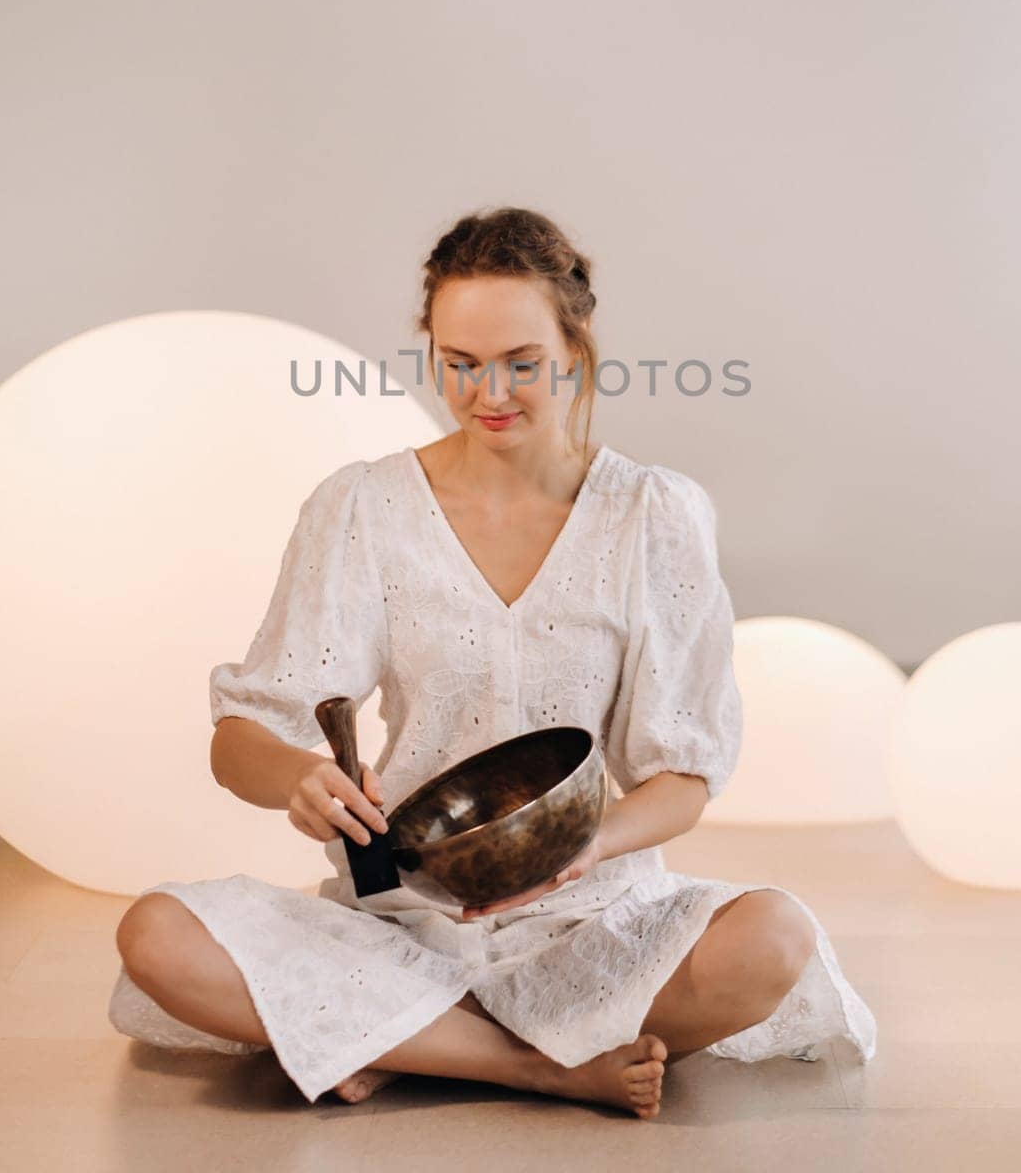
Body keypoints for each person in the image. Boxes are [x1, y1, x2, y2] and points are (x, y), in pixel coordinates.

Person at [109, 205, 876, 1119]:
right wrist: (300, 780)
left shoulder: (653, 514)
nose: (489, 393)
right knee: (156, 934)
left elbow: (683, 776)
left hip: (592, 917)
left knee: (772, 936)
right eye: (460, 365)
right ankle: (536, 1065)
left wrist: (587, 848)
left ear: (575, 351)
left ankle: (400, 1041)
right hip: (404, 921)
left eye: (520, 362)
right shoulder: (361, 508)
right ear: (432, 353)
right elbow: (240, 739)